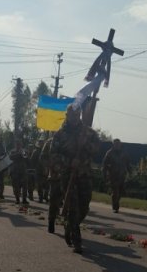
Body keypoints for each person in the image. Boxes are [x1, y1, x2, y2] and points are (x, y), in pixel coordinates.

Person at [51, 105, 100, 253]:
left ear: (80, 115)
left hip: (84, 173)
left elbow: (97, 148)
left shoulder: (88, 133)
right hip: (68, 175)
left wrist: (86, 144)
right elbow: (53, 155)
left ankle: (69, 226)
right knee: (73, 208)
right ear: (67, 115)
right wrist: (68, 162)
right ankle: (76, 239)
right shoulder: (59, 135)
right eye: (71, 115)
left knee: (84, 207)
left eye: (77, 114)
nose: (74, 117)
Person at [102, 138, 130, 213]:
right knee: (115, 191)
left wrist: (130, 172)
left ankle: (116, 201)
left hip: (122, 175)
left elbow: (128, 163)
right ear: (113, 145)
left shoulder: (124, 153)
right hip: (113, 175)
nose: (117, 145)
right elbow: (104, 165)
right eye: (115, 144)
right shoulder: (109, 153)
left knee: (120, 192)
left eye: (118, 144)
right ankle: (115, 207)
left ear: (120, 145)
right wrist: (105, 175)